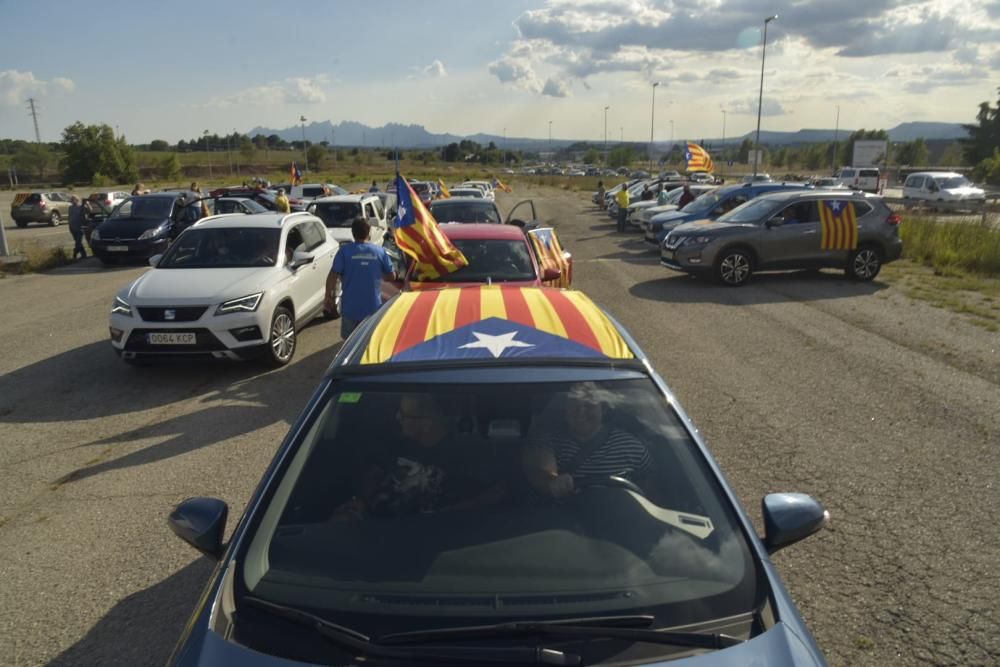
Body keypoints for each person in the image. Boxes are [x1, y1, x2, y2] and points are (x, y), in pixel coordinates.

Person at [334, 394, 502, 519]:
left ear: (427, 422)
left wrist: (445, 516)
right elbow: (373, 476)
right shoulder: (394, 445)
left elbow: (495, 495)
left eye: (404, 415)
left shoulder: (469, 456)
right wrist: (359, 502)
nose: (397, 418)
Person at [522, 382, 651, 500]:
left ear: (603, 409)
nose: (580, 412)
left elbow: (652, 496)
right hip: (567, 521)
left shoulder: (633, 448)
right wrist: (552, 481)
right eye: (574, 403)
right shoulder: (548, 440)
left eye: (589, 404)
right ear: (566, 408)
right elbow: (542, 471)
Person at [325, 217, 395, 339]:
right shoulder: (379, 252)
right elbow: (392, 276)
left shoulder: (344, 252)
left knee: (349, 345)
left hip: (350, 309)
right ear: (369, 233)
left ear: (352, 233)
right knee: (369, 343)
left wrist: (328, 296)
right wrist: (377, 274)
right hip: (372, 308)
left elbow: (333, 275)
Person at [67, 195, 89, 260]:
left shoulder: (81, 207)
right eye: (71, 200)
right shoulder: (70, 207)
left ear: (77, 200)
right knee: (78, 241)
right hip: (72, 227)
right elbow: (70, 217)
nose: (72, 201)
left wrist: (87, 204)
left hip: (80, 227)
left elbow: (90, 210)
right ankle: (84, 255)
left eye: (73, 199)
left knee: (78, 242)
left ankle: (75, 253)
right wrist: (70, 224)